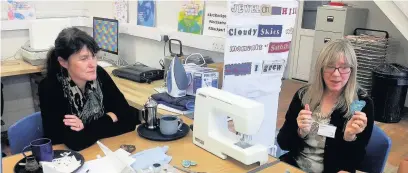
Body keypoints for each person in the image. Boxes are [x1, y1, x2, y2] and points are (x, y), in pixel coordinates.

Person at [277, 39, 374, 173]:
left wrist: (349, 138)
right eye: (330, 66)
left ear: (352, 70)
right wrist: (300, 132)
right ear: (321, 69)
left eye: (344, 67)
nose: (336, 74)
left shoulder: (362, 103)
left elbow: (356, 162)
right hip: (295, 166)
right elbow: (283, 143)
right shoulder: (304, 95)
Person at [39, 27, 140, 151]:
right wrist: (111, 117)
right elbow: (74, 142)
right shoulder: (50, 87)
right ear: (63, 62)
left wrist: (86, 127)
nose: (92, 64)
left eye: (93, 56)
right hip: (66, 158)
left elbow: (130, 119)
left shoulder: (99, 75)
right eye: (84, 58)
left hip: (101, 149)